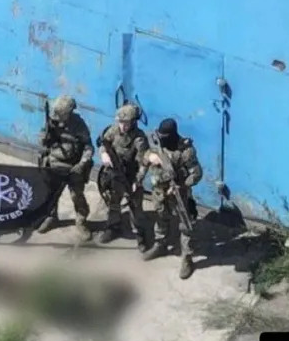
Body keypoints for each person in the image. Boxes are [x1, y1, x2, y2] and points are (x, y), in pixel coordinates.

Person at [142, 118, 203, 279]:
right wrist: (150, 156)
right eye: (160, 136)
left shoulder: (185, 151)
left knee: (186, 225)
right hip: (159, 191)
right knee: (161, 216)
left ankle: (187, 258)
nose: (162, 139)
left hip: (178, 193)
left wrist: (182, 185)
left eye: (165, 136)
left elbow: (197, 173)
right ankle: (160, 244)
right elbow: (144, 155)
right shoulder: (156, 141)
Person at [36, 95, 94, 240]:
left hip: (74, 165)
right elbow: (42, 139)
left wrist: (82, 164)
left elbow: (88, 147)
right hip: (55, 162)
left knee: (76, 195)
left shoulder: (78, 124)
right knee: (51, 193)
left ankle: (81, 221)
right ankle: (51, 217)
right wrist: (44, 139)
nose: (59, 117)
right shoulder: (52, 121)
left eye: (62, 114)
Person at [96, 103, 150, 249]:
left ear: (133, 122)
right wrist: (103, 153)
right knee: (113, 202)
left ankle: (140, 235)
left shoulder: (139, 139)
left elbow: (144, 162)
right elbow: (103, 143)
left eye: (126, 123)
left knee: (136, 207)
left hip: (131, 176)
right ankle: (113, 227)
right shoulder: (113, 131)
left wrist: (138, 180)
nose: (123, 126)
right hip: (114, 174)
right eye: (121, 122)